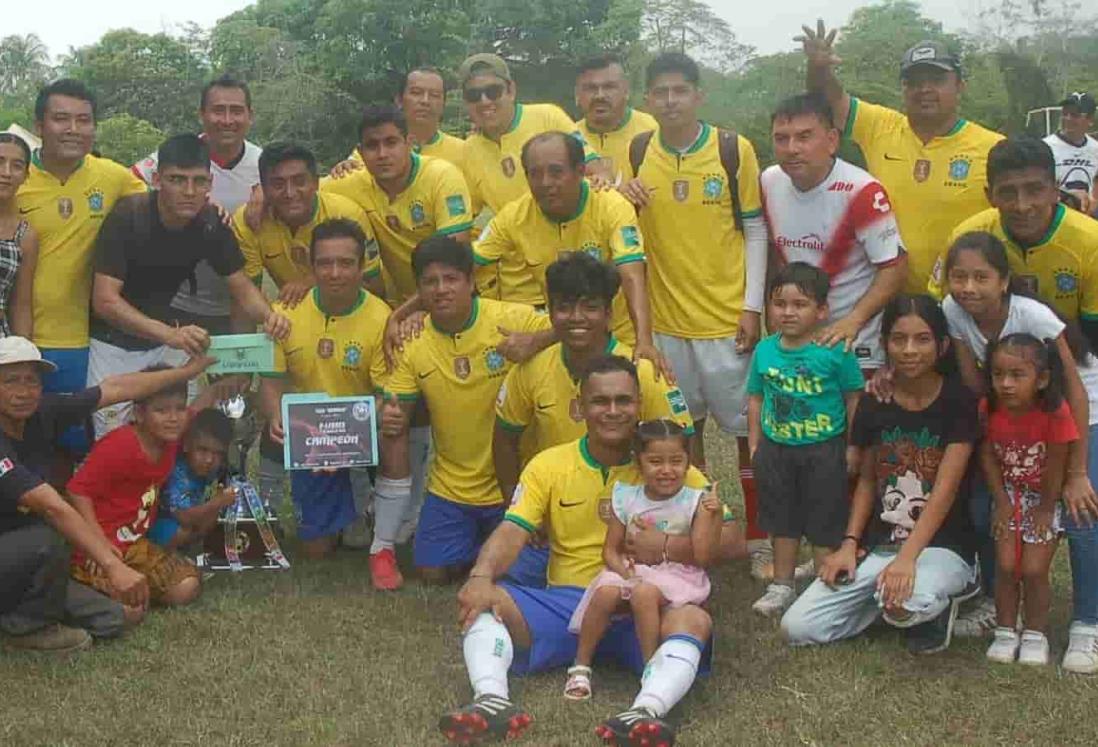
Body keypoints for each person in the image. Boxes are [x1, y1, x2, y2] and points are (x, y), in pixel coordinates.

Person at [438, 356, 714, 746]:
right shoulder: (548, 464)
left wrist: (669, 545)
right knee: (486, 601)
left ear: (640, 404)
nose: (613, 411)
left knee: (693, 621)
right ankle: (490, 701)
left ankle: (645, 712)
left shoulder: (666, 462)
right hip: (569, 605)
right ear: (581, 406)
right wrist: (481, 575)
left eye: (624, 400)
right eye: (601, 401)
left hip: (648, 605)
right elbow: (512, 530)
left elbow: (730, 537)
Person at [618, 51, 769, 574]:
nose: (670, 100)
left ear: (698, 95)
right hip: (666, 328)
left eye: (680, 90)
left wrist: (751, 307)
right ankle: (695, 538)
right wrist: (622, 193)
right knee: (684, 438)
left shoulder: (733, 149)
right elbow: (624, 223)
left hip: (727, 323)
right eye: (659, 92)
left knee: (747, 437)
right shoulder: (638, 152)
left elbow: (754, 228)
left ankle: (759, 538)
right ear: (647, 101)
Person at [937, 230, 1098, 670]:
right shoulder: (953, 309)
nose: (968, 287)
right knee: (980, 505)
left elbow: (1076, 391)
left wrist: (1077, 472)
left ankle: (1087, 624)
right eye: (959, 276)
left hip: (1079, 408)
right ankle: (998, 606)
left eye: (981, 277)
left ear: (1004, 280)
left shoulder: (1032, 316)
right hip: (1014, 417)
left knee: (1084, 512)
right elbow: (974, 383)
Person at [782, 296, 978, 654]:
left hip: (942, 548)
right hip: (883, 545)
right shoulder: (877, 399)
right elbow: (869, 481)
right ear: (884, 343)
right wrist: (849, 544)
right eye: (898, 339)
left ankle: (938, 599)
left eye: (922, 339)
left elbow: (944, 493)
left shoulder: (958, 402)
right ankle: (887, 601)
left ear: (942, 345)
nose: (909, 350)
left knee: (908, 600)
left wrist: (907, 559)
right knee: (798, 627)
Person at [0, 336, 206, 651]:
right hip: (23, 547)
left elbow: (117, 389)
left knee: (121, 617)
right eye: (11, 381)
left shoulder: (43, 412)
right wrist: (112, 565)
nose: (23, 391)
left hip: (29, 555)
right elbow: (52, 506)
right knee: (48, 535)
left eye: (32, 381)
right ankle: (26, 629)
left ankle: (25, 605)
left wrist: (188, 372)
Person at [88, 133, 290, 438]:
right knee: (113, 440)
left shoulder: (210, 223)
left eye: (198, 181)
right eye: (177, 180)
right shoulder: (127, 217)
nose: (189, 191)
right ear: (157, 179)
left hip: (166, 345)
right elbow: (105, 301)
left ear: (210, 183)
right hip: (113, 345)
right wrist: (170, 334)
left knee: (179, 433)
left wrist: (269, 317)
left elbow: (242, 287)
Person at [381, 236, 553, 584]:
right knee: (432, 572)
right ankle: (480, 543)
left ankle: (495, 542)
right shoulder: (413, 342)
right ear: (419, 290)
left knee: (524, 575)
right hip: (452, 486)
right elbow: (396, 405)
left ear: (471, 282)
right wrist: (391, 416)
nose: (441, 289)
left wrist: (534, 341)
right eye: (430, 282)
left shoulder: (509, 318)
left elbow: (570, 326)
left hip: (515, 483)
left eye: (451, 279)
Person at [798, 23, 1003, 293]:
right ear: (903, 88)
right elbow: (827, 101)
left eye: (937, 80)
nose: (925, 89)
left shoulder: (993, 147)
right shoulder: (880, 126)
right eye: (914, 82)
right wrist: (818, 68)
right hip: (889, 300)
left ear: (960, 85)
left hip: (963, 299)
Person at [259, 219, 407, 588]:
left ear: (362, 266)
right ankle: (348, 511)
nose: (335, 273)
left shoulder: (380, 318)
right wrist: (276, 415)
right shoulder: (286, 313)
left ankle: (369, 501)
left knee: (394, 424)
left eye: (346, 263)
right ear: (311, 267)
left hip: (362, 432)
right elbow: (271, 381)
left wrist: (343, 443)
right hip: (309, 437)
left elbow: (382, 395)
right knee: (317, 549)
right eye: (325, 263)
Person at [494, 251, 693, 501]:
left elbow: (683, 442)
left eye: (590, 307)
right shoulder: (531, 369)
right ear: (551, 313)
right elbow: (504, 441)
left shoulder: (643, 372)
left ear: (609, 314)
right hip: (557, 508)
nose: (577, 317)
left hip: (633, 509)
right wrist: (515, 502)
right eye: (565, 308)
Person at [17, 79, 147, 452]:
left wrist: (214, 207)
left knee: (73, 447)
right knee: (17, 446)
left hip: (78, 342)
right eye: (61, 119)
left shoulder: (112, 176)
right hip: (16, 338)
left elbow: (164, 208)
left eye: (84, 120)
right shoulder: (13, 176)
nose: (73, 129)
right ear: (39, 126)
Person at [565, 419, 722, 703]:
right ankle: (580, 666)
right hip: (632, 568)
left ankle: (651, 667)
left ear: (688, 463)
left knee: (644, 593)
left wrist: (716, 515)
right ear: (639, 463)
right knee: (604, 593)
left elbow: (703, 554)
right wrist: (622, 571)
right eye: (655, 461)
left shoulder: (695, 500)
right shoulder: (626, 497)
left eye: (676, 461)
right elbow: (610, 550)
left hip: (677, 574)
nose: (666, 470)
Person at [473, 131, 659, 357]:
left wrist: (645, 341)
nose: (545, 183)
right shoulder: (513, 216)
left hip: (618, 338)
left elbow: (632, 275)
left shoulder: (611, 206)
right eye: (535, 174)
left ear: (580, 171)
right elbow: (464, 266)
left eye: (556, 172)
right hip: (562, 338)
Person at [747, 263, 864, 618]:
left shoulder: (835, 350)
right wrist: (755, 442)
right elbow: (755, 397)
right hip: (777, 449)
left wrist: (852, 445)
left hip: (823, 450)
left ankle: (823, 585)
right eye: (780, 303)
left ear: (822, 310)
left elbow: (853, 398)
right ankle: (782, 584)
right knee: (782, 518)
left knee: (824, 518)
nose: (788, 312)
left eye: (800, 304)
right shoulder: (765, 351)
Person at [761, 92, 907, 372]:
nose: (792, 148)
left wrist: (854, 320)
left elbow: (895, 267)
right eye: (781, 138)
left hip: (852, 340)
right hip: (795, 338)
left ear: (831, 141)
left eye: (804, 137)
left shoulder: (862, 190)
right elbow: (770, 253)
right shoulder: (768, 181)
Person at [68, 363, 224, 608]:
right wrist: (97, 545)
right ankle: (91, 586)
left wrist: (226, 382)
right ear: (139, 413)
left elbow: (200, 405)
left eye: (179, 409)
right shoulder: (120, 444)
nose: (173, 418)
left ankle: (132, 590)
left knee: (187, 586)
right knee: (129, 609)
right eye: (161, 410)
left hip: (136, 546)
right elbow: (77, 491)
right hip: (100, 548)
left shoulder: (172, 435)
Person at [458, 52, 593, 306]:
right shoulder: (468, 150)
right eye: (474, 95)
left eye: (493, 91)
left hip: (574, 280)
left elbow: (595, 170)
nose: (485, 101)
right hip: (513, 292)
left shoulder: (548, 116)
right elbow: (463, 218)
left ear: (511, 90)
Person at [132, 75, 262, 335]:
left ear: (250, 116)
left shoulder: (264, 165)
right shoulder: (176, 156)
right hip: (173, 301)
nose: (227, 120)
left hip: (238, 305)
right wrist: (192, 201)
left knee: (234, 376)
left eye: (236, 111)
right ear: (201, 114)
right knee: (171, 375)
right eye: (218, 110)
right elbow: (126, 182)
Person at [981, 334, 1076, 665]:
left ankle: (1035, 633)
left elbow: (1056, 465)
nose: (1005, 384)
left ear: (1043, 379)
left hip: (1043, 497)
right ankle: (1006, 629)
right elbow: (988, 456)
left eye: (1017, 375)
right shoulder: (989, 408)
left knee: (1034, 569)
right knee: (1006, 566)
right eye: (997, 374)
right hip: (1008, 493)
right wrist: (1002, 502)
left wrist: (1046, 508)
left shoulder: (1056, 412)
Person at [323, 104, 473, 309]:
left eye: (391, 142)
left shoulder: (442, 176)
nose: (382, 154)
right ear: (360, 151)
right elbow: (299, 193)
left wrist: (401, 315)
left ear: (409, 142)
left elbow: (454, 259)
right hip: (400, 301)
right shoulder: (350, 182)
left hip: (452, 298)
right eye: (372, 146)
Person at [236, 142, 383, 308]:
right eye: (278, 184)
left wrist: (311, 283)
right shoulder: (249, 221)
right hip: (294, 313)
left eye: (299, 182)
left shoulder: (348, 214)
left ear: (316, 183)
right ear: (263, 188)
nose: (290, 193)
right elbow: (246, 294)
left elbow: (374, 286)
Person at [334, 67, 465, 173]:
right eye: (416, 93)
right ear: (399, 100)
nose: (425, 101)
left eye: (434, 95)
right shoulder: (378, 148)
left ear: (443, 104)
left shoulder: (463, 152)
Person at [146, 408, 237, 551]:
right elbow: (184, 517)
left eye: (218, 453)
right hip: (159, 523)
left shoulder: (216, 470)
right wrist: (217, 503)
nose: (209, 460)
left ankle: (189, 548)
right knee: (184, 530)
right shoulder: (177, 473)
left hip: (192, 515)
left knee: (208, 519)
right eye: (202, 450)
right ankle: (164, 554)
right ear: (187, 445)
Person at [574, 54, 658, 185]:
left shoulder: (655, 131)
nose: (599, 95)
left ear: (626, 91)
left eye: (609, 87)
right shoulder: (568, 138)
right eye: (591, 88)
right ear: (577, 95)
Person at [0, 132, 37, 338]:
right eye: (0, 161)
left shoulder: (24, 235)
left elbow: (20, 305)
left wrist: (24, 355)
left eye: (16, 165)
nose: (6, 172)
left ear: (25, 176)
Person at [1042, 92, 1097, 214]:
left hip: (1088, 216)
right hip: (1055, 215)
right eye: (1064, 113)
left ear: (1090, 120)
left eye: (1075, 115)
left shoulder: (1095, 149)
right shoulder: (1045, 147)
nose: (1068, 118)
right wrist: (1067, 196)